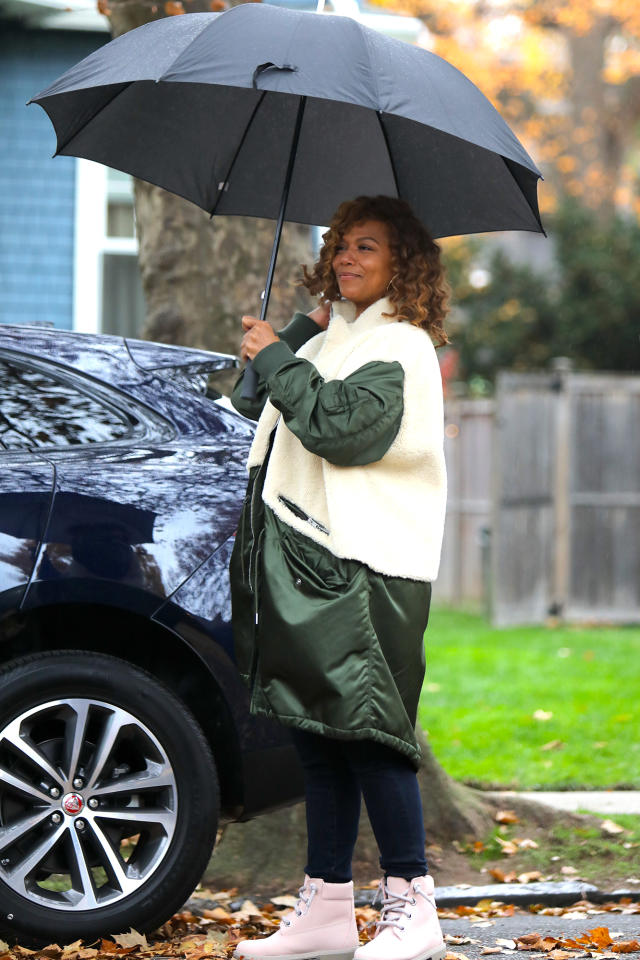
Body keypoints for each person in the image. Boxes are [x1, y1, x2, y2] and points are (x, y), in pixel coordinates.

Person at [229, 195, 450, 960]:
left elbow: (342, 431)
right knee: (317, 738)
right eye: (340, 246)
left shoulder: (402, 344)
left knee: (371, 736)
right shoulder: (335, 340)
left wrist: (285, 359)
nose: (348, 257)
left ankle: (412, 905)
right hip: (305, 560)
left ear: (403, 264)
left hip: (366, 567)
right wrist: (290, 337)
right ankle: (326, 909)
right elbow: (252, 401)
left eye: (367, 247)